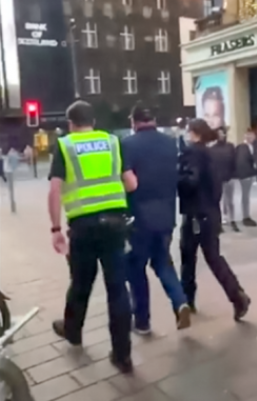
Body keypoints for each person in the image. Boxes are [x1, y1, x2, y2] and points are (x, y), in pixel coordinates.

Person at [48, 100, 137, 373]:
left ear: (71, 124)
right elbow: (131, 183)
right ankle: (122, 355)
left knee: (80, 283)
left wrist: (55, 230)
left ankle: (73, 331)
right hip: (114, 224)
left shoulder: (65, 145)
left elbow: (54, 191)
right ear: (94, 122)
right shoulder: (113, 142)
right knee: (117, 289)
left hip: (83, 228)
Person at [123, 104, 191, 336]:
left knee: (136, 267)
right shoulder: (170, 143)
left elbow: (128, 181)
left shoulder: (128, 145)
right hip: (166, 215)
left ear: (134, 122)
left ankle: (142, 321)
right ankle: (180, 301)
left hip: (139, 217)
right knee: (162, 261)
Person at [178, 118, 251, 318]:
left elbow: (190, 180)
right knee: (213, 257)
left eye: (188, 131)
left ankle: (187, 300)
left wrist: (177, 179)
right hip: (210, 212)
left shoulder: (192, 152)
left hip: (195, 214)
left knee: (188, 257)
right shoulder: (210, 153)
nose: (186, 135)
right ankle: (237, 295)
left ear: (195, 133)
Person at [211, 127, 239, 232]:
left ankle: (232, 220)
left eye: (222, 133)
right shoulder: (212, 149)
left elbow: (234, 161)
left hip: (229, 177)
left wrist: (234, 174)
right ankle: (220, 221)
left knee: (230, 200)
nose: (221, 135)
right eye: (219, 134)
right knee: (218, 201)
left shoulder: (230, 147)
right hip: (217, 179)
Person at [235, 128, 257, 226]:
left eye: (252, 135)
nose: (250, 137)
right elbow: (241, 163)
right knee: (245, 196)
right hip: (246, 175)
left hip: (250, 174)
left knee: (246, 195)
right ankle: (245, 216)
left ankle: (246, 215)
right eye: (248, 135)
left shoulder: (252, 146)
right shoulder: (242, 147)